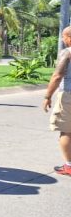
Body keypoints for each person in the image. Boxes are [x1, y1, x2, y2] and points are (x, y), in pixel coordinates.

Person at [42, 26, 71, 177]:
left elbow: (57, 75)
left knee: (66, 131)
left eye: (64, 37)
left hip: (68, 94)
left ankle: (69, 166)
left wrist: (47, 96)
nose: (62, 40)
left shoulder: (67, 52)